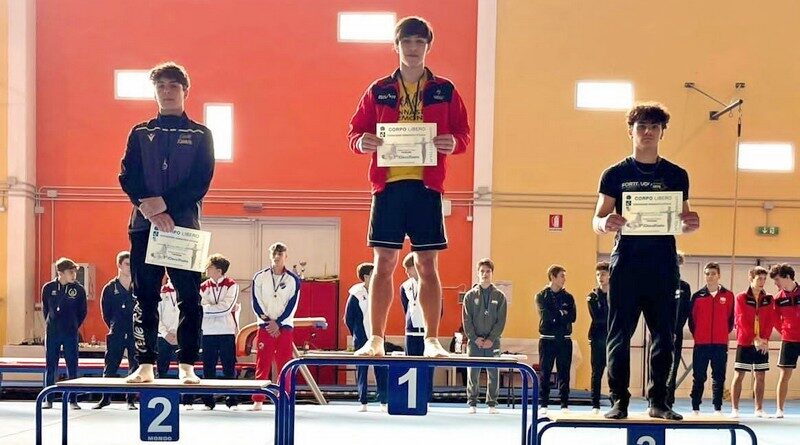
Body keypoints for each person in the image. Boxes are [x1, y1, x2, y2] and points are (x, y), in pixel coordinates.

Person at [347, 16, 470, 358]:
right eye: (406, 42)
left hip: (426, 187)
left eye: (419, 42)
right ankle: (375, 339)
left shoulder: (444, 89)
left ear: (428, 47)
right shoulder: (378, 89)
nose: (413, 48)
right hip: (387, 186)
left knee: (427, 264)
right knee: (384, 262)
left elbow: (463, 133)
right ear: (396, 46)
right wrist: (361, 142)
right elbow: (354, 132)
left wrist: (453, 143)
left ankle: (432, 340)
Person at [592, 102, 699, 420]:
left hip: (663, 263)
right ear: (631, 131)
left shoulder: (676, 175)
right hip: (626, 262)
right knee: (619, 335)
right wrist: (605, 223)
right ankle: (618, 401)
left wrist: (690, 224)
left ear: (663, 132)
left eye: (654, 126)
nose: (648, 132)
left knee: (665, 335)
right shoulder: (615, 174)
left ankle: (659, 402)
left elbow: (681, 220)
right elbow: (597, 219)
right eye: (641, 126)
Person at [119, 61, 215, 384]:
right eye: (160, 86)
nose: (167, 91)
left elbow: (201, 180)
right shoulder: (139, 132)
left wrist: (165, 204)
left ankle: (187, 365)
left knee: (190, 298)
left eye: (173, 86)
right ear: (154, 93)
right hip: (144, 226)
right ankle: (145, 364)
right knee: (145, 297)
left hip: (184, 230)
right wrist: (150, 210)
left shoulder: (201, 134)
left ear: (185, 91)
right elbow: (127, 175)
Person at [250, 242, 301, 411]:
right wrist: (268, 322)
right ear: (270, 256)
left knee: (284, 363)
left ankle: (284, 398)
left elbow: (292, 304)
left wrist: (278, 323)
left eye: (280, 255)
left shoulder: (293, 279)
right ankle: (258, 400)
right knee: (262, 362)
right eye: (274, 254)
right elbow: (256, 301)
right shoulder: (260, 277)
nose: (277, 258)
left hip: (284, 327)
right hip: (265, 326)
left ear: (286, 257)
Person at [688, 262, 734, 415]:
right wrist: (699, 335)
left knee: (719, 377)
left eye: (713, 273)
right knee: (698, 377)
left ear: (719, 275)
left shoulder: (728, 296)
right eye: (707, 274)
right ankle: (695, 407)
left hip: (720, 344)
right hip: (701, 344)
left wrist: (722, 333)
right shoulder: (697, 296)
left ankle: (717, 408)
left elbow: (730, 319)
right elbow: (692, 321)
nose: (710, 276)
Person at [462, 258, 507, 414]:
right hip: (475, 342)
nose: (485, 274)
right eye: (482, 271)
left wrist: (491, 339)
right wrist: (475, 338)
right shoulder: (469, 296)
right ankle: (472, 403)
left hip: (493, 342)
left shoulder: (500, 296)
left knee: (493, 372)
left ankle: (492, 403)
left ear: (492, 273)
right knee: (472, 373)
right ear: (478, 273)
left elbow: (501, 321)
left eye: (488, 271)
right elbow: (466, 321)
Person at [93, 251, 138, 410]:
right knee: (111, 365)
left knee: (135, 366)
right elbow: (105, 313)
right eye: (127, 264)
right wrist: (114, 325)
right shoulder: (110, 288)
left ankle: (130, 400)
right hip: (116, 331)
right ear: (119, 265)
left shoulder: (137, 286)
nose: (130, 267)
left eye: (131, 264)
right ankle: (105, 398)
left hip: (135, 332)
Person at [42, 258, 88, 409]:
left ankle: (72, 400)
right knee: (51, 366)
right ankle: (48, 399)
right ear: (60, 273)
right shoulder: (48, 288)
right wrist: (51, 324)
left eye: (75, 272)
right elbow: (45, 309)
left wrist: (74, 325)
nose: (74, 275)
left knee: (72, 365)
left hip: (70, 332)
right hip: (53, 332)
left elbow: (82, 311)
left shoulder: (79, 290)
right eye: (70, 272)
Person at [730, 266, 774, 418]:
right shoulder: (741, 297)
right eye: (759, 278)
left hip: (762, 342)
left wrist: (764, 339)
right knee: (739, 375)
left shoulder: (769, 299)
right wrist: (754, 338)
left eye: (764, 279)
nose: (762, 282)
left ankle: (759, 409)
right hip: (745, 342)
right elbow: (740, 319)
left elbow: (770, 320)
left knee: (760, 376)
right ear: (751, 278)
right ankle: (735, 409)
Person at [199, 254, 240, 410]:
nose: (206, 269)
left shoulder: (232, 285)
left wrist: (208, 308)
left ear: (219, 270)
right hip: (208, 331)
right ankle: (208, 401)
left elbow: (227, 308)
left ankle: (232, 401)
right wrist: (215, 308)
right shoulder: (203, 286)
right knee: (208, 367)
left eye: (209, 267)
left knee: (229, 367)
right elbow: (200, 307)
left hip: (226, 331)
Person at [344, 262, 387, 412]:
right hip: (362, 336)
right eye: (374, 273)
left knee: (381, 369)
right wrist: (356, 333)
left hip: (378, 335)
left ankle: (384, 401)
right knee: (362, 369)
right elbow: (348, 318)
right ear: (366, 276)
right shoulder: (355, 293)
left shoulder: (380, 290)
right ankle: (363, 402)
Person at [535, 265, 575, 415]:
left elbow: (573, 317)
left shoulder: (568, 297)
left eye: (565, 276)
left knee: (564, 372)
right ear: (553, 277)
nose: (564, 279)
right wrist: (561, 314)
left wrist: (556, 315)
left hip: (564, 339)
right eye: (562, 276)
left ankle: (564, 404)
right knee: (545, 372)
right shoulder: (541, 296)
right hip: (547, 340)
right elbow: (545, 316)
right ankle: (544, 404)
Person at [400, 253, 437, 402]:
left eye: (408, 268)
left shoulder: (430, 283)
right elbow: (406, 308)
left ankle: (426, 399)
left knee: (427, 367)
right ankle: (411, 399)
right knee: (411, 366)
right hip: (411, 333)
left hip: (426, 334)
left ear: (416, 267)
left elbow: (438, 310)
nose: (406, 272)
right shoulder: (404, 286)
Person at [770, 263, 800, 419]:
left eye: (777, 279)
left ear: (787, 277)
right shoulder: (777, 298)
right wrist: (785, 331)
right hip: (789, 340)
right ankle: (779, 409)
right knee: (784, 376)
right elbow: (775, 320)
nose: (775, 283)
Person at [666, 251, 692, 408]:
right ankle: (654, 398)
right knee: (657, 365)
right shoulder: (659, 283)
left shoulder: (685, 287)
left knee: (673, 366)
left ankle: (669, 400)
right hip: (661, 332)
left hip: (677, 333)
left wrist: (676, 330)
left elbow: (685, 311)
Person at [587, 261, 609, 414]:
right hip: (597, 338)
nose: (600, 277)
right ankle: (595, 404)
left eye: (603, 274)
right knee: (597, 371)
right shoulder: (592, 296)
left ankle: (617, 401)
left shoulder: (617, 294)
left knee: (615, 372)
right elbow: (598, 317)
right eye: (598, 274)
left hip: (612, 338)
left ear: (609, 276)